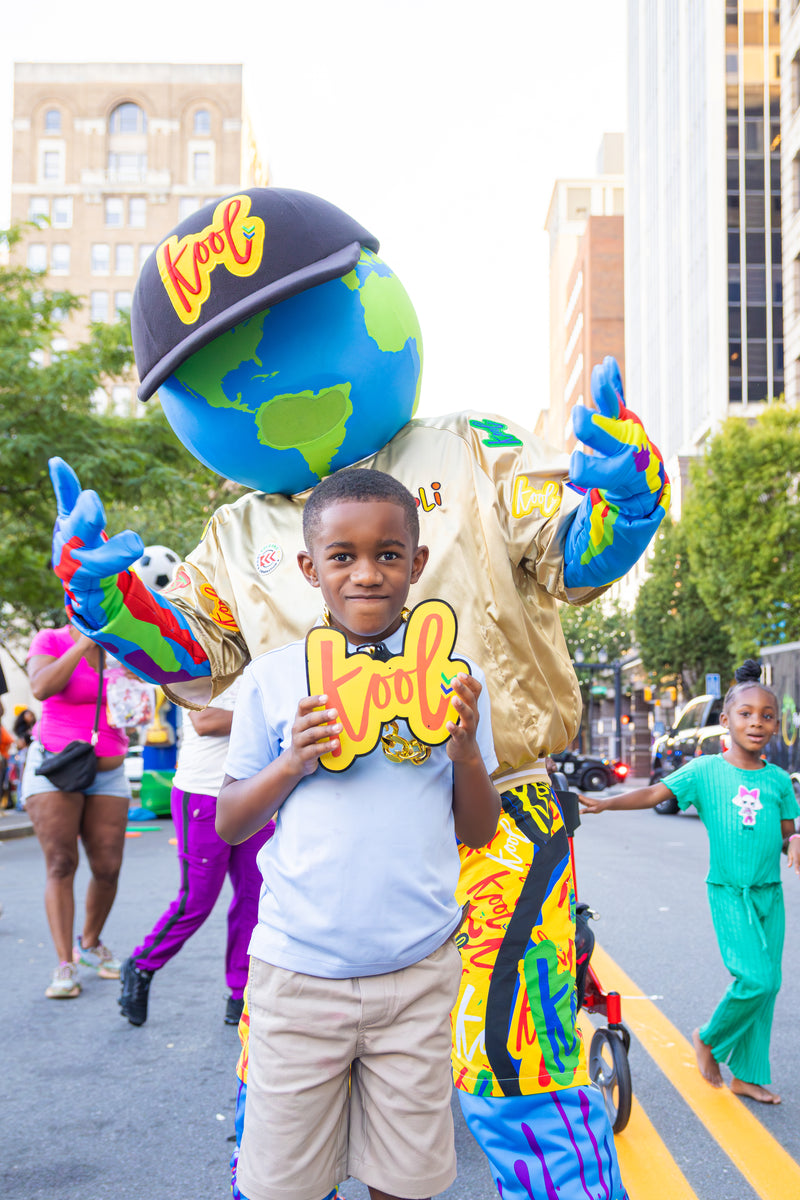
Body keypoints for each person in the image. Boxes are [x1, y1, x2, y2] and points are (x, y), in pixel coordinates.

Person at [47, 188, 666, 1199]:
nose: (262, 374)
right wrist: (108, 606)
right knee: (288, 1093)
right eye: (222, 366)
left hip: (492, 817)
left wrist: (622, 501)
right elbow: (200, 654)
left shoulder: (468, 450)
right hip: (320, 838)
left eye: (286, 326)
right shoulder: (237, 534)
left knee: (512, 1067)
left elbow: (566, 550)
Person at [216, 468, 500, 1200]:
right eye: (342, 556)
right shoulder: (277, 681)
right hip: (299, 975)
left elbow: (479, 828)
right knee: (284, 1184)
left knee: (404, 1182)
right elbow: (231, 819)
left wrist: (466, 750)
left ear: (418, 563)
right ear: (310, 568)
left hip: (417, 973)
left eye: (389, 554)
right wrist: (291, 763)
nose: (367, 574)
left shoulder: (456, 682)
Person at [580, 659, 800, 1105]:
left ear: (776, 724)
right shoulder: (704, 771)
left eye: (766, 716)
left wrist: (794, 839)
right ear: (725, 722)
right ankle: (709, 1039)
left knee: (769, 985)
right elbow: (654, 793)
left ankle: (748, 1074)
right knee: (754, 979)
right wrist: (605, 804)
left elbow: (785, 834)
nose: (756, 722)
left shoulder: (779, 781)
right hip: (728, 893)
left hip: (769, 897)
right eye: (745, 714)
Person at [118, 678, 274, 1027]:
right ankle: (142, 965)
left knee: (255, 899)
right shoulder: (197, 652)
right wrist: (274, 710)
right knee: (197, 901)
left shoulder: (262, 648)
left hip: (253, 793)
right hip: (203, 794)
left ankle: (240, 992)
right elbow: (204, 722)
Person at [20, 622, 131, 999]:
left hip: (110, 770)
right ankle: (64, 961)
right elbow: (41, 687)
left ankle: (90, 942)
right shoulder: (50, 639)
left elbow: (138, 695)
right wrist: (82, 644)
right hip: (56, 766)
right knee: (61, 863)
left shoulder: (121, 643)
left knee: (108, 867)